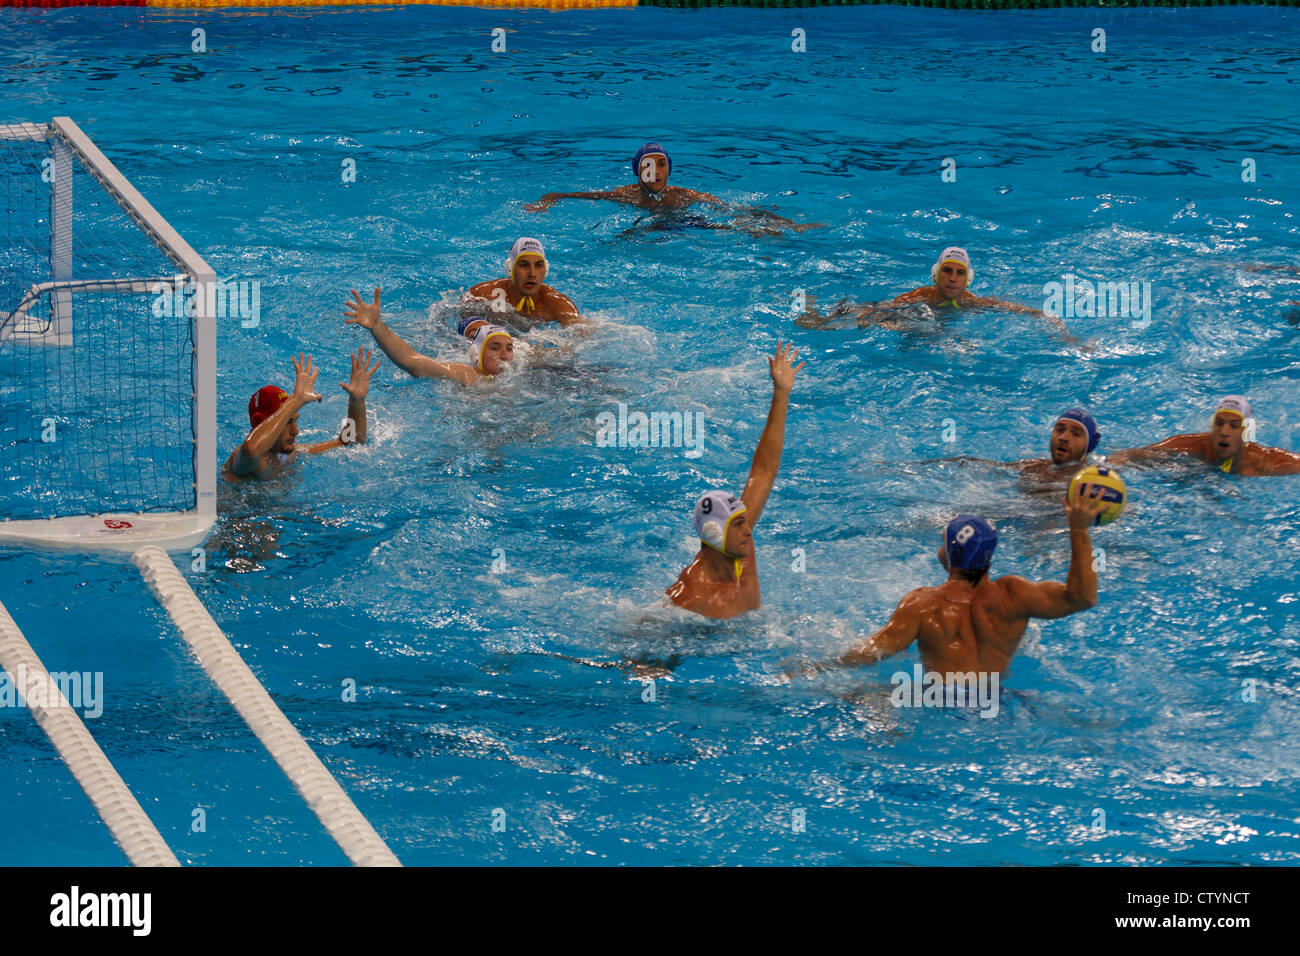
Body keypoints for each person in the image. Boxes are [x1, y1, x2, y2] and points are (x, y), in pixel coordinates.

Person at [793, 496, 1107, 680]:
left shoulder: (922, 605)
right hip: (999, 700)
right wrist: (1078, 530)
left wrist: (817, 666)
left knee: (863, 696)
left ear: (948, 553)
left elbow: (871, 654)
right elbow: (1084, 598)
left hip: (937, 701)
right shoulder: (1014, 595)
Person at [666, 341, 803, 618]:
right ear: (715, 533)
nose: (749, 530)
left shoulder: (740, 546)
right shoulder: (690, 597)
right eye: (738, 523)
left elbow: (764, 470)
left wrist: (781, 393)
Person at [798, 246, 1084, 347]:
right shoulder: (921, 295)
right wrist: (861, 316)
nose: (952, 278)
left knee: (936, 332)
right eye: (947, 271)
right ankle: (815, 316)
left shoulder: (970, 301)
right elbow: (884, 307)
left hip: (929, 327)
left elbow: (1022, 310)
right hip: (904, 318)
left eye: (959, 273)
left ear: (967, 279)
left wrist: (1063, 330)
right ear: (936, 274)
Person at [525, 142, 821, 235]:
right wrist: (546, 202)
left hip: (686, 224)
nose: (655, 172)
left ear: (670, 168)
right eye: (648, 166)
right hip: (654, 227)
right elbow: (565, 194)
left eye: (661, 165)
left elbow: (730, 207)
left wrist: (786, 221)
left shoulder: (683, 195)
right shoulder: (625, 194)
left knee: (727, 224)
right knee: (628, 237)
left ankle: (773, 229)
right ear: (637, 169)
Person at [222, 348, 379, 482]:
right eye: (288, 421)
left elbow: (350, 443)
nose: (296, 431)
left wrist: (356, 402)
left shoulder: (290, 454)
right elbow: (250, 449)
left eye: (295, 420)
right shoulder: (245, 460)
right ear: (262, 424)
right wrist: (296, 400)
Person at [346, 289, 514, 386]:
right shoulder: (466, 376)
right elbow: (411, 361)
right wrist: (376, 325)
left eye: (509, 348)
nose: (504, 354)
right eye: (494, 347)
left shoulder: (518, 375)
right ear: (476, 354)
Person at [1110, 395, 1300, 476]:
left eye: (1234, 426)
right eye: (1219, 424)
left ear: (1246, 432)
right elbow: (1132, 455)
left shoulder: (1265, 461)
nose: (1224, 432)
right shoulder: (1189, 446)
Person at [923, 407, 1101, 484]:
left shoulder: (1091, 482)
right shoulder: (1034, 467)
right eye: (1059, 430)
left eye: (1076, 434)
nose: (1064, 438)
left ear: (1090, 444)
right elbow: (979, 464)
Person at [463, 237, 583, 328]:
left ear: (545, 270)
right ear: (510, 269)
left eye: (539, 265)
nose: (532, 273)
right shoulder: (483, 294)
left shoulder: (556, 304)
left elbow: (583, 339)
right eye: (524, 265)